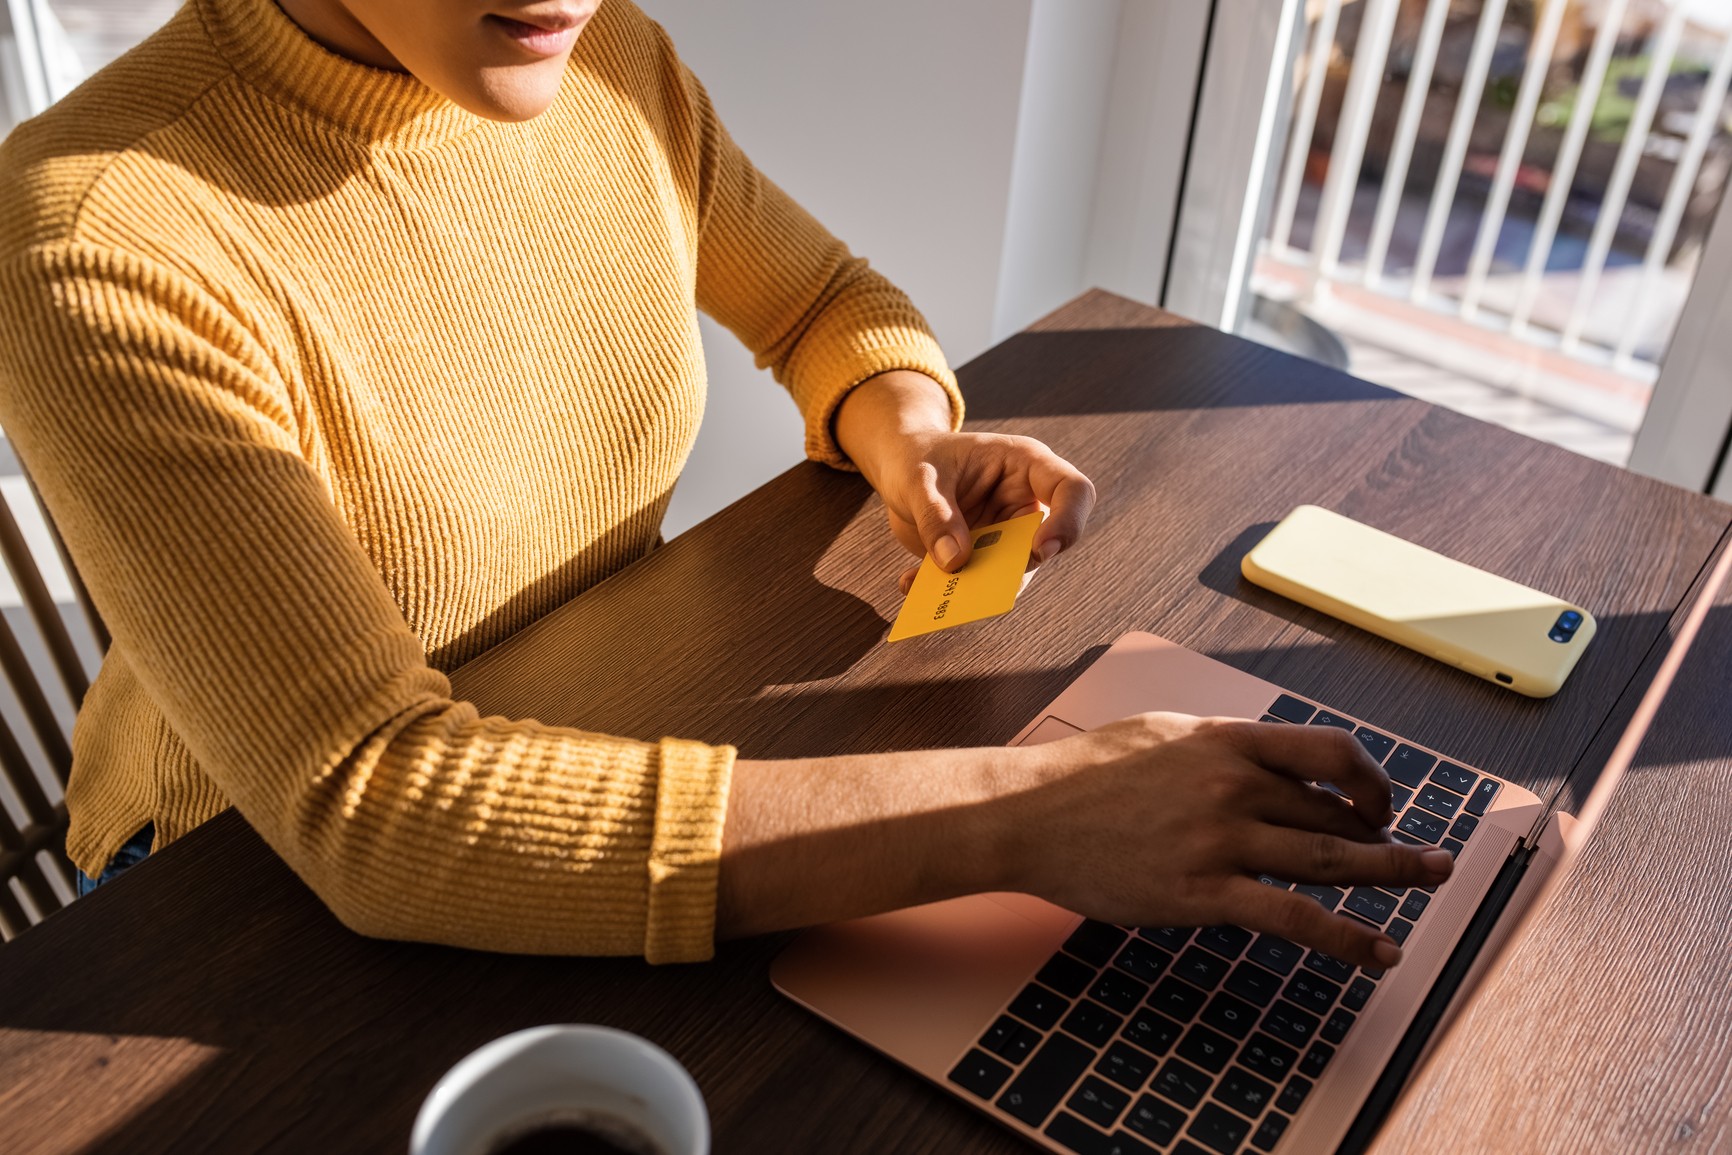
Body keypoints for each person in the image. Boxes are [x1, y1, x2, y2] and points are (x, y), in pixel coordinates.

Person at [0, 0, 1449, 967]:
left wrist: (906, 428)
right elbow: (370, 805)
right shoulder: (97, 232)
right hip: (240, 890)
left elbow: (819, 299)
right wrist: (1023, 815)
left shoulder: (607, 60)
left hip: (593, 722)